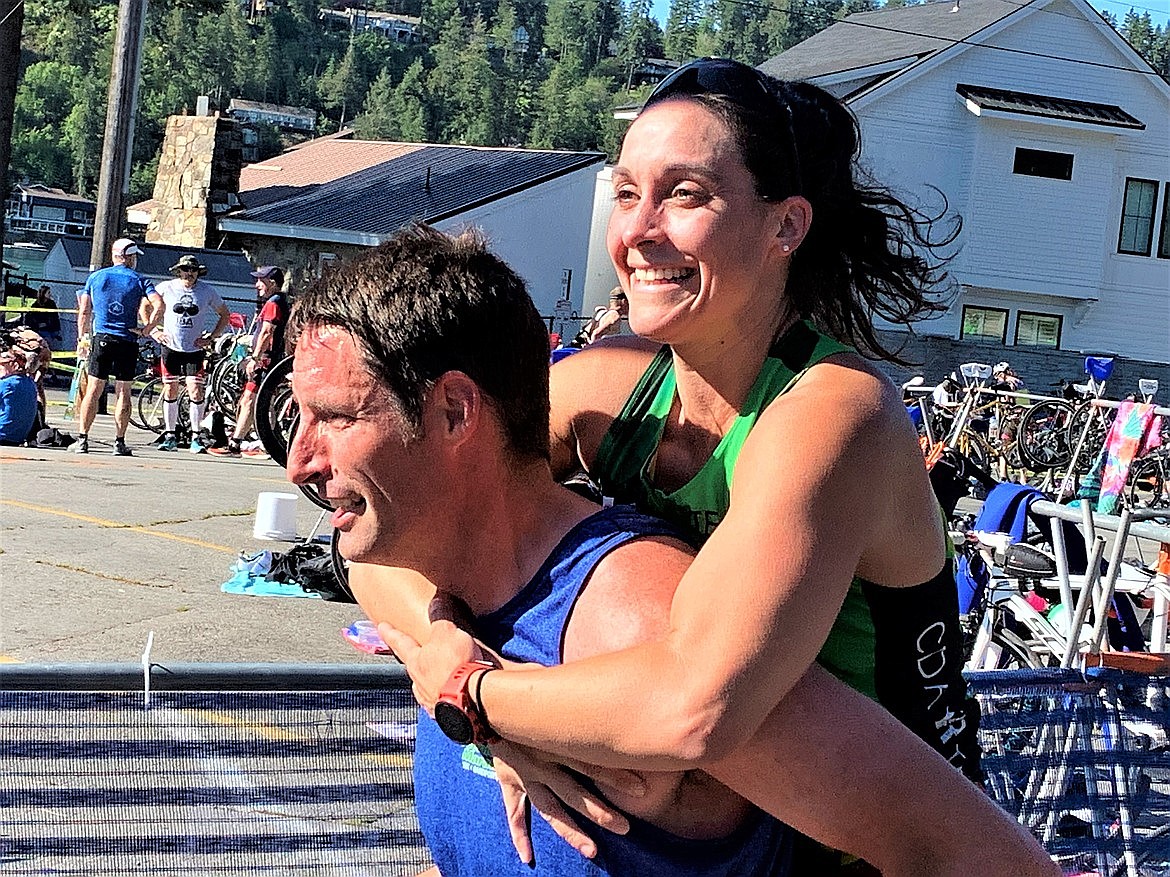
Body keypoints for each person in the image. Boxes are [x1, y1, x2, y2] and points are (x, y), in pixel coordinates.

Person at [365, 59, 1054, 873]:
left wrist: (477, 703)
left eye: (684, 194)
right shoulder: (607, 388)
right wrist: (441, 642)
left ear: (785, 226)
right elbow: (380, 529)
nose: (639, 231)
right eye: (626, 194)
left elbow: (697, 706)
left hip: (888, 853)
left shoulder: (834, 415)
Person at [74, 237, 162, 456]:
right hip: (127, 338)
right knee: (124, 390)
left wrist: (82, 337)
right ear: (129, 257)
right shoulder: (139, 279)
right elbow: (160, 305)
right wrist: (147, 329)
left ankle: (83, 439)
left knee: (94, 389)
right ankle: (119, 441)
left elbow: (84, 310)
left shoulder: (96, 277)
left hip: (102, 336)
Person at [150, 254, 230, 453]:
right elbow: (144, 305)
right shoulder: (166, 288)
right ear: (179, 271)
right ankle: (170, 435)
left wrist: (211, 337)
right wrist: (153, 331)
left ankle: (196, 435)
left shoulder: (206, 291)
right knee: (170, 389)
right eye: (186, 270)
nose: (189, 274)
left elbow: (224, 314)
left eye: (193, 270)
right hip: (171, 346)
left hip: (194, 348)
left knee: (195, 389)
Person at [214, 266, 288, 456]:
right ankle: (236, 443)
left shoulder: (274, 303)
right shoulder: (274, 302)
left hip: (267, 361)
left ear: (271, 283)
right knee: (252, 400)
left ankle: (264, 444)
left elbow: (266, 332)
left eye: (260, 281)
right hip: (266, 360)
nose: (257, 285)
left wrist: (255, 357)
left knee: (259, 401)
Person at [0, 345, 38, 445]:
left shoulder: (6, 384)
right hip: (18, 437)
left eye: (2, 365)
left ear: (15, 366)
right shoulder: (31, 383)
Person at [25, 285, 63, 350]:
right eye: (48, 293)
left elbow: (55, 316)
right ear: (43, 293)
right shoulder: (36, 305)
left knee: (52, 340)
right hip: (41, 329)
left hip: (52, 328)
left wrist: (55, 327)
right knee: (48, 340)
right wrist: (39, 324)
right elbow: (30, 318)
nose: (50, 294)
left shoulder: (51, 303)